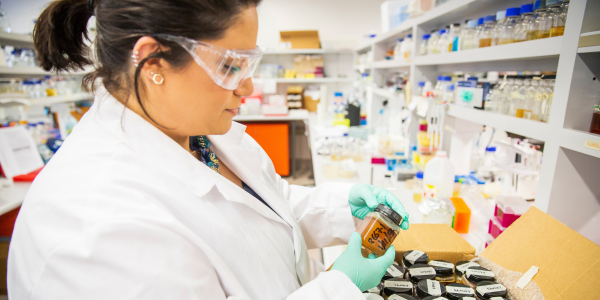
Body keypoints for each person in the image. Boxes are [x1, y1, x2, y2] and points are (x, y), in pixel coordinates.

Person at [8, 0, 410, 299]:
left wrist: (343, 210)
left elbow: (262, 209)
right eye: (230, 65)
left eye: (248, 64)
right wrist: (338, 287)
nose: (247, 87)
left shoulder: (191, 130)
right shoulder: (98, 227)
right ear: (153, 62)